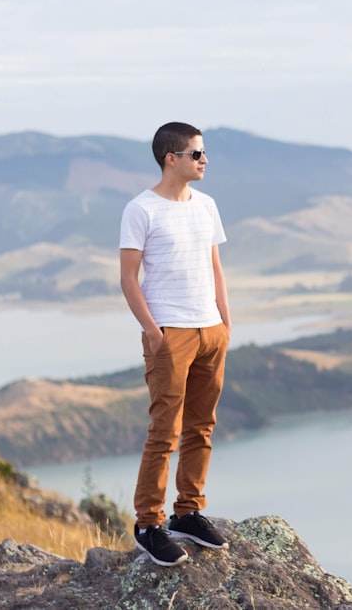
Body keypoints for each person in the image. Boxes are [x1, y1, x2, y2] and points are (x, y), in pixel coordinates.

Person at [119, 121, 232, 566]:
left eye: (203, 154)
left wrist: (225, 321)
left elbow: (215, 267)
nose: (204, 161)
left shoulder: (206, 206)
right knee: (164, 431)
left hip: (211, 331)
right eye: (197, 154)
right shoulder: (141, 209)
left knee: (202, 426)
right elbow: (128, 278)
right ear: (172, 158)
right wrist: (152, 330)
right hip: (170, 333)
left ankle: (188, 512)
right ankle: (148, 522)